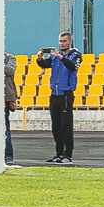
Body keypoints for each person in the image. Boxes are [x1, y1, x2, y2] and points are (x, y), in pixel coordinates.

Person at [36, 31, 82, 165]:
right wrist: (39, 58)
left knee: (66, 126)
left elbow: (73, 66)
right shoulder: (55, 57)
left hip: (66, 94)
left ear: (70, 42)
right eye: (60, 41)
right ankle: (59, 153)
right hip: (54, 95)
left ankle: (68, 155)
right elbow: (44, 64)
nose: (62, 44)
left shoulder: (76, 55)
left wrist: (61, 57)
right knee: (56, 126)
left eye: (64, 41)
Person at [4, 52, 17, 165]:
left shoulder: (9, 58)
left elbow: (10, 70)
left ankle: (8, 156)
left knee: (5, 127)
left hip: (4, 98)